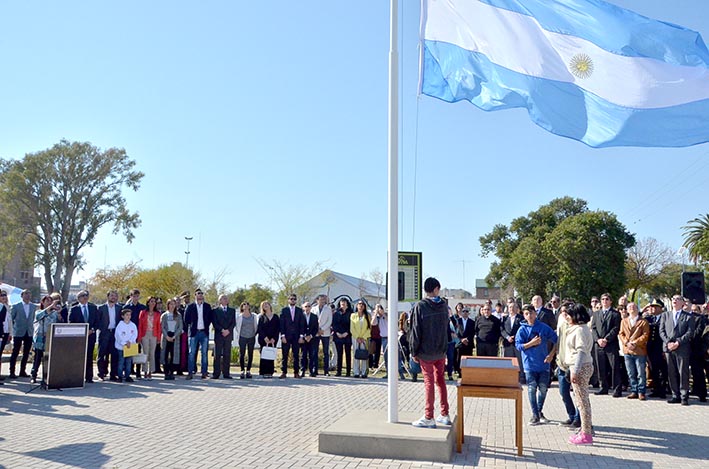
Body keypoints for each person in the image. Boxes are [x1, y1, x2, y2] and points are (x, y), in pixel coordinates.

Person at [409, 277, 451, 428]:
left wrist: (413, 351)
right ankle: (444, 413)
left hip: (426, 352)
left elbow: (415, 330)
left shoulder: (420, 306)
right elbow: (446, 329)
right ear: (436, 289)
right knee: (440, 381)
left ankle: (429, 416)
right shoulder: (444, 306)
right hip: (440, 350)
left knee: (429, 383)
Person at [515, 304, 557, 425]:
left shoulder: (543, 327)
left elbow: (556, 340)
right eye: (527, 314)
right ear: (524, 315)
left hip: (544, 364)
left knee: (543, 389)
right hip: (529, 365)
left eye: (531, 313)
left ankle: (539, 411)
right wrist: (531, 343)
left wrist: (551, 355)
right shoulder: (522, 329)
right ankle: (535, 414)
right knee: (532, 389)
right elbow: (518, 346)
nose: (530, 316)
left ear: (536, 314)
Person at [564, 303, 594, 445]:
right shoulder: (578, 329)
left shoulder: (581, 330)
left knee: (582, 402)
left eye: (569, 315)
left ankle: (586, 434)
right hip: (580, 366)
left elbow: (581, 351)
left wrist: (575, 370)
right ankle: (584, 430)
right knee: (582, 401)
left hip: (581, 367)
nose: (567, 318)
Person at [660, 295, 696, 405]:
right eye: (673, 299)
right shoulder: (665, 315)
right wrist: (668, 342)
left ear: (683, 303)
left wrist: (678, 342)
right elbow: (661, 331)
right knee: (671, 372)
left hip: (682, 348)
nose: (674, 301)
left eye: (677, 299)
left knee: (683, 372)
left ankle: (684, 396)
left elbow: (690, 332)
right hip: (668, 348)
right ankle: (675, 395)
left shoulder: (688, 317)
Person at [553, 301, 580, 428]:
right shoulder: (561, 323)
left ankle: (579, 419)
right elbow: (558, 342)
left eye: (566, 312)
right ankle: (572, 415)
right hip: (562, 363)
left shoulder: (577, 327)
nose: (564, 314)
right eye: (562, 311)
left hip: (574, 366)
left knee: (578, 394)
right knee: (563, 392)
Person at [591, 293, 623, 397]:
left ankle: (617, 389)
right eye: (603, 299)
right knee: (601, 367)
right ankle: (603, 387)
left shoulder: (615, 314)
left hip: (611, 344)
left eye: (607, 299)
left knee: (614, 367)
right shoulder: (596, 314)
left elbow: (616, 328)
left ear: (610, 301)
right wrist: (598, 340)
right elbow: (594, 328)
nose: (604, 301)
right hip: (599, 345)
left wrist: (606, 339)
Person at [618, 302, 650, 400]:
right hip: (627, 350)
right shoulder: (624, 321)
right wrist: (626, 343)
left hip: (639, 351)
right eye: (629, 307)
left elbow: (645, 335)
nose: (632, 308)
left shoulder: (643, 322)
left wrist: (635, 343)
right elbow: (621, 333)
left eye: (634, 307)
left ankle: (641, 391)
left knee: (641, 372)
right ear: (627, 310)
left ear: (637, 309)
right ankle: (634, 390)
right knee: (631, 372)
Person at [69, 290, 100, 383]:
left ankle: (89, 377)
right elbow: (70, 322)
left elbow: (97, 321)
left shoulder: (93, 308)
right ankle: (77, 376)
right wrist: (80, 331)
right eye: (83, 296)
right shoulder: (74, 309)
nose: (85, 297)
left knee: (89, 356)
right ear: (79, 298)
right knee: (79, 357)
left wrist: (92, 330)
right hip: (79, 337)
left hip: (91, 336)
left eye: (86, 295)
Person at [30, 295, 61, 384]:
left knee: (48, 359)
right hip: (40, 338)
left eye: (51, 301)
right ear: (42, 302)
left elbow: (57, 322)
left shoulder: (54, 313)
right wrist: (51, 307)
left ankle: (47, 377)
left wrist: (58, 313)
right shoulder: (38, 312)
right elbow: (39, 316)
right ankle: (33, 375)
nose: (49, 303)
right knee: (37, 358)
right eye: (47, 301)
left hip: (50, 338)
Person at [184, 288, 213, 379]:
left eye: (201, 293)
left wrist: (205, 326)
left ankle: (204, 372)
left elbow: (210, 319)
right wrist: (192, 326)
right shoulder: (191, 306)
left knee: (204, 353)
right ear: (195, 295)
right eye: (198, 293)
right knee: (191, 353)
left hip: (204, 332)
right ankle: (190, 372)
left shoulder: (207, 306)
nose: (200, 295)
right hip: (193, 333)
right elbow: (186, 319)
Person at [642, 298, 668, 398]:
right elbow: (638, 319)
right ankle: (656, 389)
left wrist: (664, 349)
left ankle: (664, 389)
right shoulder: (649, 318)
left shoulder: (665, 318)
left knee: (663, 370)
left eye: (655, 307)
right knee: (654, 370)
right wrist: (643, 310)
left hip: (660, 348)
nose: (652, 308)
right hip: (651, 349)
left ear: (660, 308)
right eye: (651, 307)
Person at [9, 289, 37, 379]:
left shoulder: (33, 306)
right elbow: (11, 319)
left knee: (26, 353)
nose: (27, 295)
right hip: (18, 332)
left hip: (28, 332)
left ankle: (22, 371)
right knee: (15, 352)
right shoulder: (16, 306)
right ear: (22, 296)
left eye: (29, 294)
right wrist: (12, 330)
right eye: (25, 294)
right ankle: (12, 371)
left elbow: (33, 319)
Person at [97, 290, 122, 381]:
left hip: (115, 333)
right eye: (112, 296)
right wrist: (102, 328)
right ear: (108, 297)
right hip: (104, 333)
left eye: (115, 296)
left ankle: (113, 374)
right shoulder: (101, 308)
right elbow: (98, 320)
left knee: (114, 355)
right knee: (102, 354)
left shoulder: (119, 308)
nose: (113, 297)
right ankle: (101, 373)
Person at [279, 293, 305, 379]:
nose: (293, 300)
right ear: (288, 300)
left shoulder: (299, 310)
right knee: (285, 354)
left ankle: (296, 372)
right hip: (286, 336)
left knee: (296, 355)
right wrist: (282, 336)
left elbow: (302, 324)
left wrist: (301, 336)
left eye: (294, 299)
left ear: (296, 300)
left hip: (296, 336)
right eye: (291, 299)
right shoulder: (284, 310)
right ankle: (284, 372)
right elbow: (281, 324)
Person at [137, 296, 161, 380]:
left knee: (152, 353)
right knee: (145, 353)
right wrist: (139, 337)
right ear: (148, 302)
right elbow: (140, 325)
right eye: (151, 301)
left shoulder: (158, 314)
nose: (153, 303)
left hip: (153, 334)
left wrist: (158, 338)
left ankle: (151, 371)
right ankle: (145, 371)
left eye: (154, 301)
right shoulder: (143, 312)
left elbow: (159, 326)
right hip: (145, 334)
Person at [213, 294, 236, 379]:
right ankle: (216, 374)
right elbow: (215, 323)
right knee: (217, 355)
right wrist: (222, 330)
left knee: (227, 354)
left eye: (226, 298)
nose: (225, 300)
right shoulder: (215, 311)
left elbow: (233, 323)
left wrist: (228, 330)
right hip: (219, 335)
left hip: (228, 335)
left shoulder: (232, 310)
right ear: (220, 301)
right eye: (223, 298)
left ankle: (226, 373)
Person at [501, 298, 524, 384]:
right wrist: (507, 337)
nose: (512, 309)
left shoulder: (521, 318)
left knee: (519, 361)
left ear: (517, 309)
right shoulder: (504, 318)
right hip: (507, 343)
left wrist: (516, 337)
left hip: (517, 343)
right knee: (509, 361)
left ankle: (521, 378)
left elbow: (522, 329)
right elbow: (502, 329)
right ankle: (509, 377)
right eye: (510, 307)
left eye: (514, 307)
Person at [160, 298, 183, 380]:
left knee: (173, 355)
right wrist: (166, 336)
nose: (172, 306)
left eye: (174, 304)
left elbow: (180, 327)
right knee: (165, 355)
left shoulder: (178, 315)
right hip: (166, 336)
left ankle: (172, 372)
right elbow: (162, 327)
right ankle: (166, 372)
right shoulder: (164, 315)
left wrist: (174, 336)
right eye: (171, 304)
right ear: (168, 305)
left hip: (174, 337)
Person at [688, 303, 707, 402]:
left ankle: (702, 394)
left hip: (699, 350)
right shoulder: (689, 319)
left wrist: (688, 337)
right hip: (690, 350)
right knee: (695, 372)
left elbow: (698, 333)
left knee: (700, 373)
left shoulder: (702, 319)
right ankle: (696, 390)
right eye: (692, 310)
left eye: (695, 310)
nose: (693, 312)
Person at [125, 288, 145, 378]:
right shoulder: (127, 307)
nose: (136, 298)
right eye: (134, 296)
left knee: (138, 351)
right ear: (131, 296)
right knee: (129, 351)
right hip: (129, 332)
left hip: (138, 331)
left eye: (137, 296)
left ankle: (138, 372)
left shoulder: (142, 308)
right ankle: (129, 370)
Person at [257, 301, 279, 378]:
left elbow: (278, 329)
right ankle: (263, 372)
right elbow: (260, 329)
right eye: (263, 305)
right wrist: (265, 337)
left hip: (273, 339)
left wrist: (274, 338)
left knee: (270, 355)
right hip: (264, 339)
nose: (265, 306)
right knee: (264, 355)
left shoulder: (276, 317)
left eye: (267, 304)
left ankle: (270, 371)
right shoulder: (261, 317)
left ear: (270, 305)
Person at [236, 301, 258, 379]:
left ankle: (248, 370)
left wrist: (254, 334)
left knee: (250, 354)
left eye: (247, 304)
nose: (245, 306)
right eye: (243, 305)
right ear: (241, 307)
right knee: (242, 354)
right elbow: (238, 328)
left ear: (249, 307)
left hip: (251, 337)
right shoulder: (240, 316)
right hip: (242, 337)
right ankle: (242, 370)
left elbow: (256, 326)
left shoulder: (254, 316)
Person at [115, 308, 138, 383]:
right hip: (121, 347)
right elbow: (118, 335)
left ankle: (127, 375)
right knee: (121, 361)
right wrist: (124, 342)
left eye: (129, 315)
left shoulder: (133, 325)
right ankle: (120, 376)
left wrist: (130, 342)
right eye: (126, 315)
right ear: (122, 316)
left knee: (129, 362)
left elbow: (135, 334)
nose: (128, 316)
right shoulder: (120, 325)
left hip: (130, 346)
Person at [312, 294, 332, 376]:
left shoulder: (328, 309)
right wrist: (317, 329)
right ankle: (315, 369)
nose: (322, 301)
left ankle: (326, 370)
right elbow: (312, 321)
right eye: (321, 300)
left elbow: (329, 321)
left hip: (325, 332)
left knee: (326, 352)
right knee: (314, 352)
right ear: (317, 300)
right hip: (315, 333)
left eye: (324, 300)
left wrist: (322, 329)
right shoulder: (313, 309)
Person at [332, 298, 353, 377]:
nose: (343, 305)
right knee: (339, 354)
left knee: (348, 354)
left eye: (344, 303)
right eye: (341, 304)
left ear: (347, 304)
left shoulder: (351, 313)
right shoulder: (336, 313)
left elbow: (351, 324)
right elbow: (334, 324)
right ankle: (339, 371)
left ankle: (348, 372)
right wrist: (337, 333)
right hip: (338, 336)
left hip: (347, 336)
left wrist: (346, 333)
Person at [351, 300, 371, 378]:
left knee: (364, 355)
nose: (361, 305)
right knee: (356, 354)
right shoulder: (353, 315)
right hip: (355, 338)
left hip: (364, 338)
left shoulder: (367, 316)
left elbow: (369, 328)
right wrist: (357, 337)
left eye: (362, 304)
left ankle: (363, 372)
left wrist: (363, 337)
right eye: (359, 304)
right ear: (357, 306)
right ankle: (356, 372)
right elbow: (352, 328)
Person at [301, 301, 320, 377]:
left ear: (311, 307)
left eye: (309, 306)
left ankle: (311, 371)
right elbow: (300, 327)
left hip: (312, 339)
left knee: (312, 355)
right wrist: (305, 336)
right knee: (303, 355)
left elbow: (316, 328)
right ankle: (302, 370)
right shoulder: (301, 316)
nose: (307, 308)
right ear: (303, 308)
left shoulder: (314, 316)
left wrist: (311, 336)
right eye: (306, 306)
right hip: (304, 338)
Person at [372, 304, 390, 378]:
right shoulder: (377, 318)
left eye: (379, 308)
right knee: (386, 356)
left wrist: (383, 313)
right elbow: (372, 323)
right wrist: (375, 313)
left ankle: (399, 372)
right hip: (383, 338)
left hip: (390, 337)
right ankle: (388, 372)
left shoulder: (387, 315)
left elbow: (389, 320)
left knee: (392, 356)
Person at [457, 307, 475, 373]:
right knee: (459, 358)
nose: (465, 313)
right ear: (461, 313)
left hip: (468, 343)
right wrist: (461, 339)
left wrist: (467, 339)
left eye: (466, 311)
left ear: (468, 313)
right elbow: (456, 332)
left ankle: (468, 372)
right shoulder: (458, 321)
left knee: (468, 358)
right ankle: (459, 372)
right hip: (460, 343)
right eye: (463, 311)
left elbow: (473, 332)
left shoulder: (472, 322)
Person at [176, 291, 190, 375]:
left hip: (183, 332)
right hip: (173, 333)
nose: (178, 302)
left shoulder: (183, 309)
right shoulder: (171, 310)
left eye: (179, 301)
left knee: (183, 351)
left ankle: (181, 368)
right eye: (176, 301)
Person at [0, 290, 12, 383]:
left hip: (6, 332)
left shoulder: (7, 307)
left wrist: (10, 333)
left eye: (5, 295)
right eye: (1, 295)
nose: (4, 297)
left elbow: (9, 322)